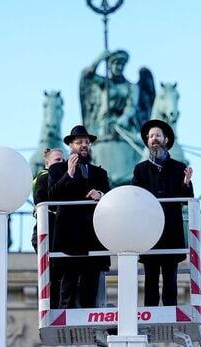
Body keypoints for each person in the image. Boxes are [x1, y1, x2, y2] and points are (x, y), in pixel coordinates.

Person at [48, 125, 111, 309]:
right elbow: (52, 196)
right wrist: (69, 174)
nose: (84, 145)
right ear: (70, 145)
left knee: (90, 291)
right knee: (68, 287)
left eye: (86, 142)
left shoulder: (100, 173)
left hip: (93, 237)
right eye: (79, 142)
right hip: (70, 239)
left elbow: (111, 196)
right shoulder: (57, 170)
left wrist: (100, 195)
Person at [132, 119, 193, 307]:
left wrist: (186, 182)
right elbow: (135, 197)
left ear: (166, 139)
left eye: (157, 135)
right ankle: (150, 311)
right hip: (149, 231)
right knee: (150, 277)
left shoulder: (178, 168)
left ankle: (170, 310)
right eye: (150, 137)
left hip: (171, 231)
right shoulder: (140, 169)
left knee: (170, 278)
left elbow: (186, 199)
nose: (154, 139)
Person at [80, 49, 155, 186]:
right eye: (116, 64)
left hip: (125, 126)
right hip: (104, 125)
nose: (119, 67)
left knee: (140, 146)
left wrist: (123, 119)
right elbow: (88, 76)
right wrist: (98, 60)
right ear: (110, 66)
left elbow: (132, 105)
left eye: (122, 65)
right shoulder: (104, 83)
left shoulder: (132, 87)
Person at [32, 148, 66, 308]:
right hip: (48, 232)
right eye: (57, 160)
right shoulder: (44, 177)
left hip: (58, 232)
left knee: (59, 273)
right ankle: (51, 307)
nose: (61, 163)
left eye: (63, 160)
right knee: (51, 273)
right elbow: (42, 200)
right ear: (47, 163)